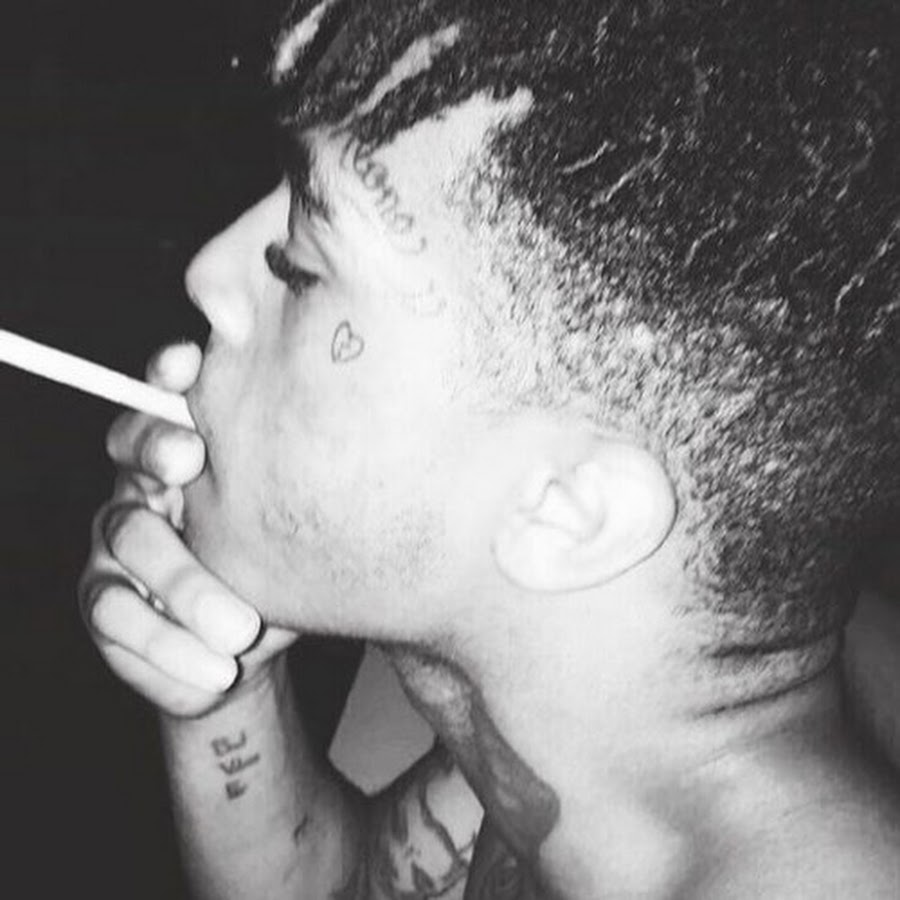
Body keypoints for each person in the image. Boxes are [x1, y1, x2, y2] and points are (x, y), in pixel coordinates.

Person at [79, 1, 900, 897]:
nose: (209, 273)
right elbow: (349, 881)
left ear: (566, 511)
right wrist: (224, 681)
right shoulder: (620, 728)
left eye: (303, 268)